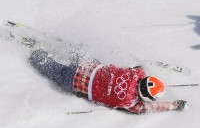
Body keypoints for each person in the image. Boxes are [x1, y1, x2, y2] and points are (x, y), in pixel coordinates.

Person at [28, 49, 189, 114]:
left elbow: (140, 68)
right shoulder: (130, 102)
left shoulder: (135, 74)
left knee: (79, 51)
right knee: (55, 70)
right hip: (77, 82)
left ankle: (60, 48)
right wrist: (174, 105)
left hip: (88, 64)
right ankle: (37, 58)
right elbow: (149, 108)